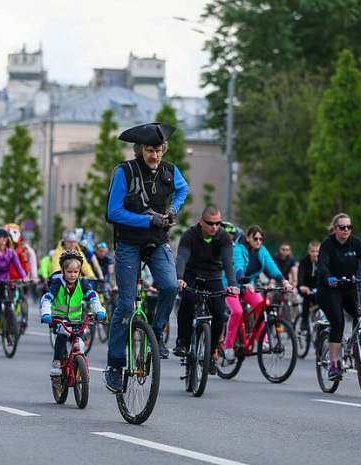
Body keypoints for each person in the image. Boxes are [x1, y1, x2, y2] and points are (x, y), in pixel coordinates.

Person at [104, 122, 188, 393]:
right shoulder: (124, 172)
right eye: (150, 150)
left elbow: (183, 189)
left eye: (159, 150)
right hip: (128, 243)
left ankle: (157, 333)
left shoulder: (170, 170)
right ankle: (114, 365)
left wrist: (173, 209)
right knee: (126, 305)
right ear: (140, 150)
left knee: (170, 286)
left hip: (158, 241)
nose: (155, 155)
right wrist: (147, 220)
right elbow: (113, 213)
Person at [316, 213, 361, 381]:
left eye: (349, 227)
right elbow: (322, 264)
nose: (346, 230)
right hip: (329, 289)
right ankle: (333, 365)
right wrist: (328, 276)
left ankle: (356, 345)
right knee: (337, 322)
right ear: (335, 229)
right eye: (342, 227)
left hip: (349, 288)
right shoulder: (327, 244)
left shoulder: (356, 242)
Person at [173, 207, 240, 373]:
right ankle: (183, 341)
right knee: (188, 301)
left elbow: (227, 261)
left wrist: (232, 284)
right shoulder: (189, 235)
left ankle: (210, 354)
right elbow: (181, 257)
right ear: (201, 222)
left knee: (219, 312)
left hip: (213, 276)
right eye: (210, 223)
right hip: (192, 275)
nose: (214, 227)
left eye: (217, 223)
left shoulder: (223, 236)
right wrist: (179, 277)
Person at [221, 225, 293, 361]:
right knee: (237, 311)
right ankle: (228, 346)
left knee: (261, 305)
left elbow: (272, 267)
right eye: (255, 239)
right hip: (231, 284)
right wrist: (243, 281)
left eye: (261, 239)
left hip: (249, 285)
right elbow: (238, 267)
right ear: (248, 238)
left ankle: (263, 341)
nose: (258, 242)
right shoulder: (238, 249)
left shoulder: (262, 251)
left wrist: (284, 281)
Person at [40, 249, 106, 376]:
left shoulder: (82, 283)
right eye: (69, 272)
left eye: (76, 272)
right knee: (62, 336)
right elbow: (47, 298)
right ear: (63, 271)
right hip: (59, 320)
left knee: (80, 344)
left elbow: (93, 297)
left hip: (76, 321)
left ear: (80, 271)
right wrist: (46, 313)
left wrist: (100, 310)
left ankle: (78, 367)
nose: (72, 275)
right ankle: (57, 362)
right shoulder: (58, 283)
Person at [297, 239, 321, 332]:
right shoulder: (304, 261)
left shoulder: (322, 261)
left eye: (317, 251)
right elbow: (300, 275)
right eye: (313, 251)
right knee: (307, 296)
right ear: (309, 251)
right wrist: (302, 285)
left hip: (318, 287)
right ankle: (305, 320)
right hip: (305, 286)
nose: (315, 254)